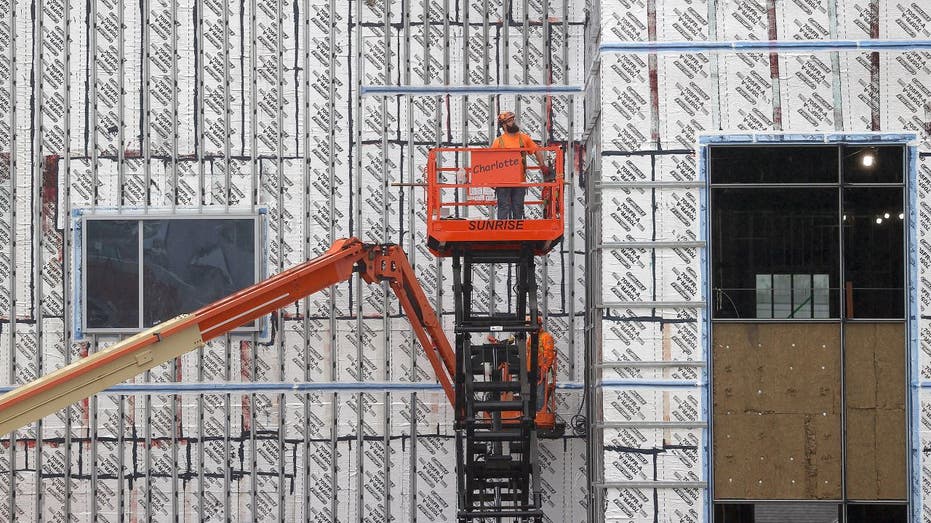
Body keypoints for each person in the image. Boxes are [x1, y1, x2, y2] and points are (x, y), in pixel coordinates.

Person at [491, 111, 552, 219]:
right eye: (509, 121)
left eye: (513, 119)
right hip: (503, 182)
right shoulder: (498, 142)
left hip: (519, 181)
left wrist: (542, 165)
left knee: (518, 207)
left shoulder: (523, 138)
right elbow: (491, 161)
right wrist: (492, 179)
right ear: (503, 125)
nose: (513, 122)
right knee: (503, 207)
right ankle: (503, 234)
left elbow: (536, 150)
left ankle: (517, 234)